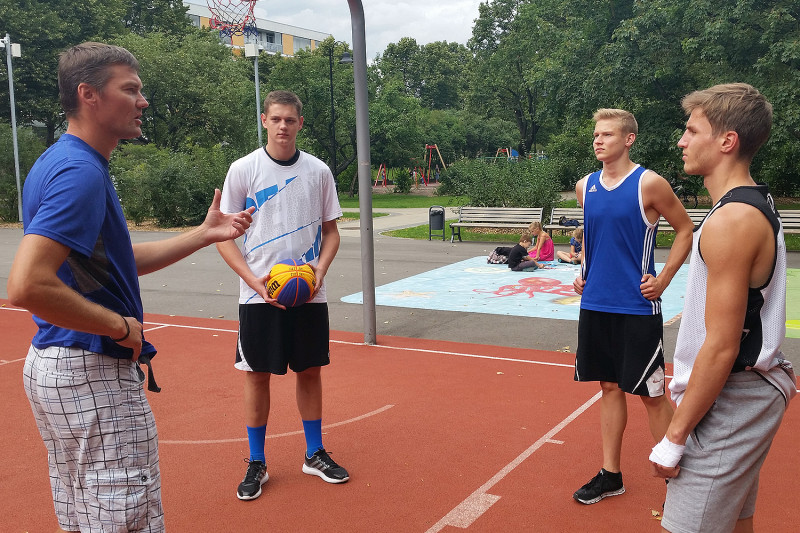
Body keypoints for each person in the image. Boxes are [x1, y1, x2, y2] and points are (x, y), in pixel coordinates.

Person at [6, 42, 254, 532]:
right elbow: (26, 284)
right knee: (123, 512)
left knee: (85, 509)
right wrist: (119, 326)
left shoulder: (62, 161)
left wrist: (204, 235)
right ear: (89, 95)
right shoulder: (80, 173)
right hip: (91, 366)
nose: (143, 101)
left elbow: (117, 262)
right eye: (131, 89)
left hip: (57, 364)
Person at [650, 83, 796, 533]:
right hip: (743, 392)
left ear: (726, 141)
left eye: (692, 130)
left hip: (732, 397)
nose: (682, 141)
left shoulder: (732, 219)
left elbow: (721, 345)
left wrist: (674, 437)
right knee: (736, 522)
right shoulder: (748, 204)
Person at [216, 90, 348, 502]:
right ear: (264, 120)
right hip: (260, 295)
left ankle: (314, 453)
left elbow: (331, 232)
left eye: (290, 120)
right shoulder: (243, 170)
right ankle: (257, 461)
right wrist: (253, 282)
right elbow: (223, 237)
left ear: (300, 124)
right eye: (276, 119)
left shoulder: (319, 171)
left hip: (309, 293)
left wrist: (319, 272)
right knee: (257, 375)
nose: (283, 126)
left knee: (310, 370)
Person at [571, 108, 694, 505]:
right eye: (595, 134)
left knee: (652, 392)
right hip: (595, 305)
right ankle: (611, 475)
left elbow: (686, 229)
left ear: (629, 139)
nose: (598, 140)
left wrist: (665, 279)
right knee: (608, 386)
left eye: (607, 134)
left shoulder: (649, 184)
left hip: (637, 308)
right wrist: (584, 271)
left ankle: (682, 475)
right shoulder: (584, 186)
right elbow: (592, 235)